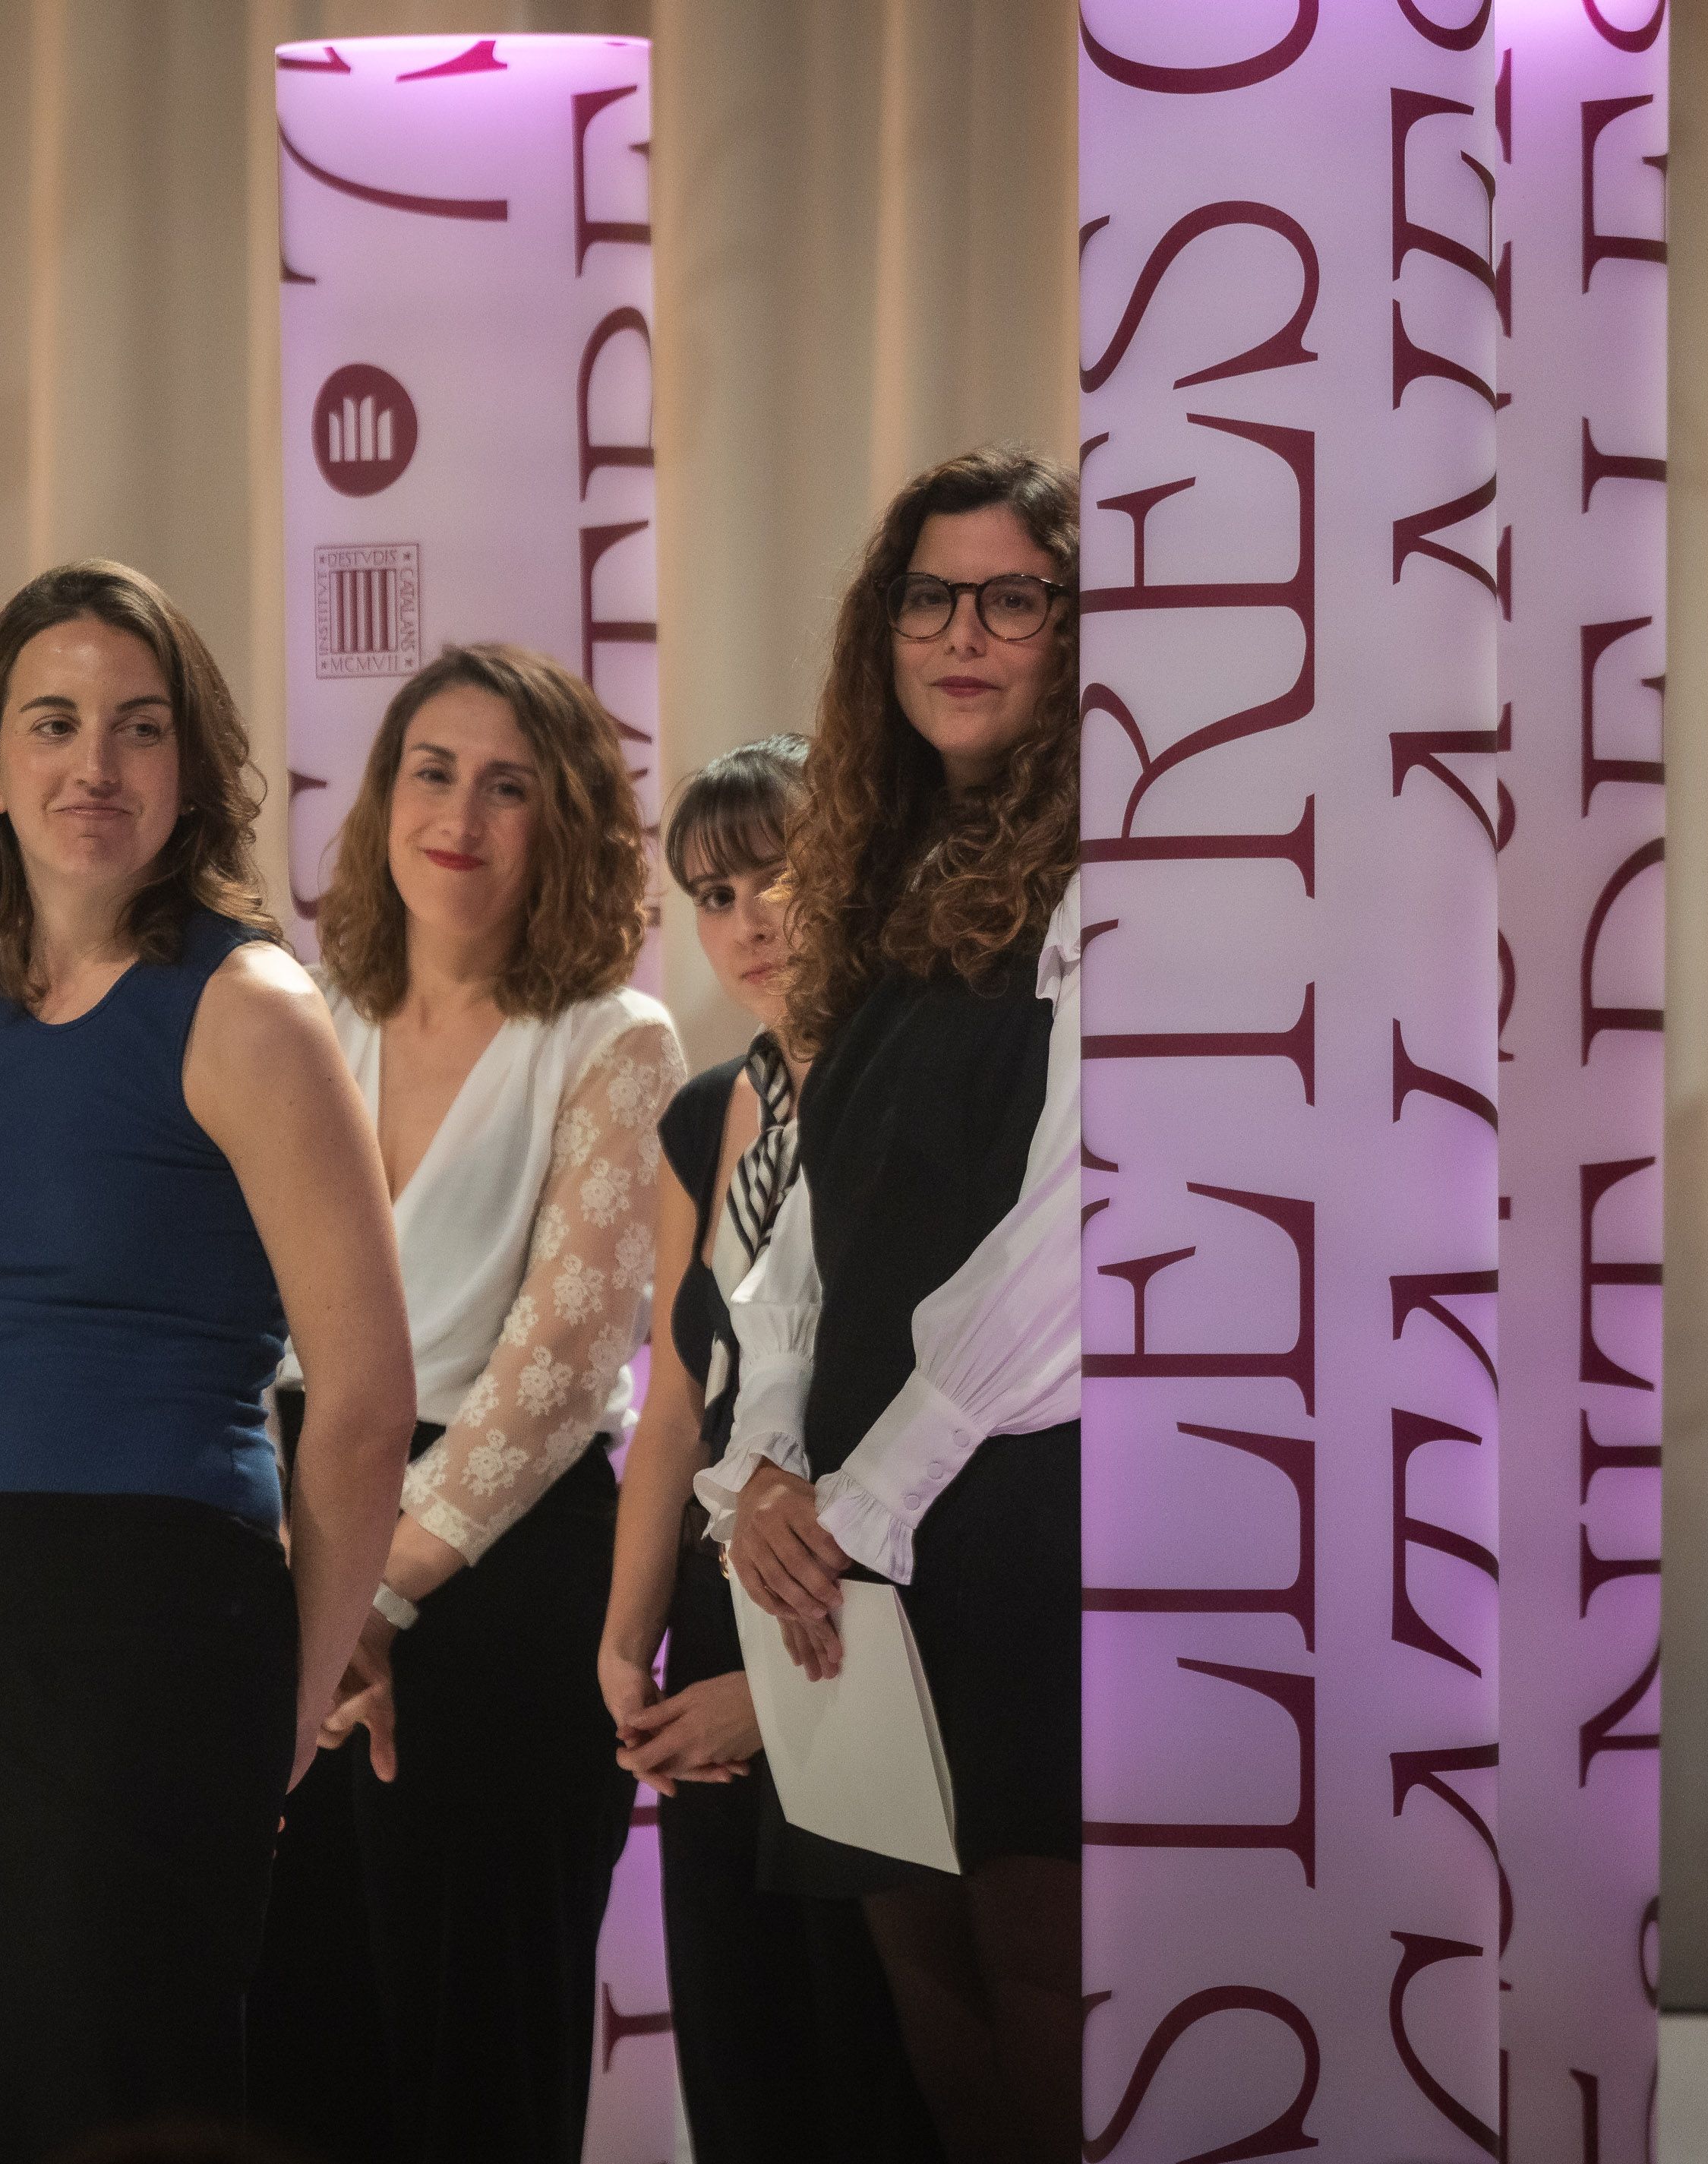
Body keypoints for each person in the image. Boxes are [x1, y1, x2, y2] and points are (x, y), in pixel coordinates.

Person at [0, 559, 415, 2164]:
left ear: (191, 772)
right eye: (52, 724)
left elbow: (368, 1409)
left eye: (137, 728)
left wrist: (290, 1700)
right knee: (5, 2109)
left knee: (136, 2100)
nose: (92, 766)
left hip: (165, 1617)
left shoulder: (255, 1011)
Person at [245, 642, 684, 2164]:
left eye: (510, 785)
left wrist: (374, 1602)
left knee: (472, 2047)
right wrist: (306, 1585)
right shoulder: (306, 1017)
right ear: (379, 800)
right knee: (290, 2036)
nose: (462, 814)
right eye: (431, 770)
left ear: (564, 822)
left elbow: (564, 1376)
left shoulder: (613, 1041)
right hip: (290, 1533)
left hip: (490, 1569)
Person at [706, 446, 1084, 2164]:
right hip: (839, 1536)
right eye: (931, 595)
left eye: (1015, 596)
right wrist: (765, 1469)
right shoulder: (868, 876)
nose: (965, 634)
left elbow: (1078, 1227)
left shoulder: (1114, 871)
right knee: (934, 2044)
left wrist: (868, 1496)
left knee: (1049, 2039)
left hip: (1007, 1517)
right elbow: (800, 1232)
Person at [598, 737, 943, 2162]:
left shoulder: (933, 1077)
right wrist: (627, 1647)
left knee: (880, 2069)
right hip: (714, 1592)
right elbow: (676, 1400)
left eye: (781, 874)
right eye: (715, 891)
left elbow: (938, 1403)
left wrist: (778, 1692)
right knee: (744, 2060)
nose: (751, 921)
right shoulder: (704, 1112)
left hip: (873, 1597)